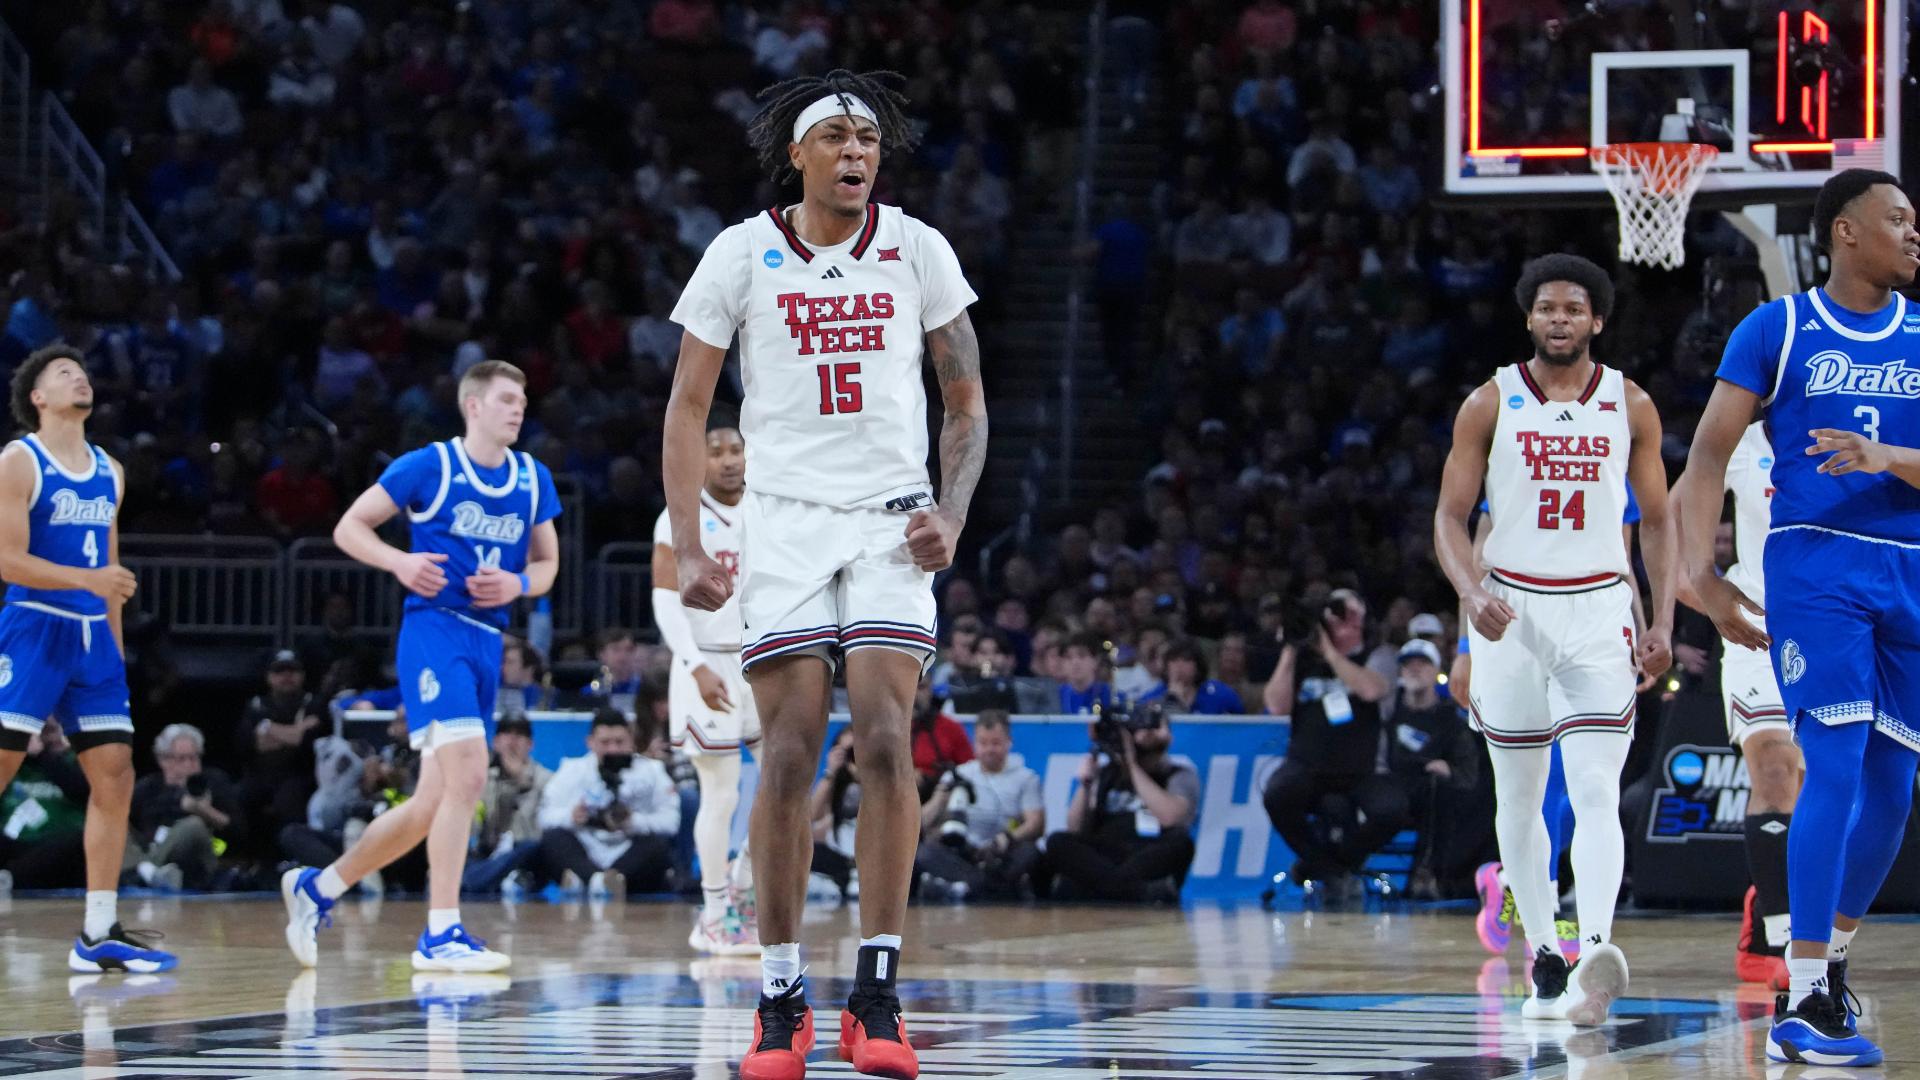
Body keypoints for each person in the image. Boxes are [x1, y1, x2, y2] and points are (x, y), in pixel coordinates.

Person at [664, 70, 987, 1079]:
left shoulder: (919, 248)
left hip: (890, 525)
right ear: (798, 154)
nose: (858, 153)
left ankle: (877, 992)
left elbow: (966, 403)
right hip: (786, 525)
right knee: (793, 750)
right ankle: (780, 994)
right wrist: (690, 544)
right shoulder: (742, 252)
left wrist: (952, 511)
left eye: (870, 141)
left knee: (888, 740)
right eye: (839, 137)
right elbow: (686, 406)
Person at [1678, 169, 1919, 1066]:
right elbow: (1704, 457)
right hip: (1817, 564)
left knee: (1895, 791)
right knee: (1839, 766)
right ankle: (1807, 993)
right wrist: (1699, 578)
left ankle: (1828, 967)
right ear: (1846, 233)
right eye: (1897, 218)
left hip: (1913, 570)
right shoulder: (1777, 329)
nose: (1913, 232)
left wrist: (1886, 455)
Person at [1434, 254, 1675, 1026]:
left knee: (1598, 787)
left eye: (1575, 307)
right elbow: (1449, 519)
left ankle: (1595, 953)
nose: (1561, 318)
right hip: (1509, 611)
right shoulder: (1489, 401)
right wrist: (1471, 602)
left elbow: (1659, 523)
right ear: (1529, 318)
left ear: (1598, 320)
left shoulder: (1630, 403)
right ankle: (1542, 947)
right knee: (1520, 795)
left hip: (1598, 608)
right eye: (1548, 307)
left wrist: (1662, 619)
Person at [282, 359, 560, 974]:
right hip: (434, 632)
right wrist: (399, 564)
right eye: (507, 398)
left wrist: (516, 582)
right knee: (466, 776)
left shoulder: (532, 477)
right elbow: (349, 527)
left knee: (432, 802)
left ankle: (318, 889)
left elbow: (547, 566)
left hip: (489, 639)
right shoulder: (429, 466)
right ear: (474, 405)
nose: (518, 408)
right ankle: (441, 931)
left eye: (523, 399)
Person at [0, 343, 171, 972]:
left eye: (83, 372)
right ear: (38, 398)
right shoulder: (19, 460)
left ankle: (99, 930)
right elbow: (7, 561)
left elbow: (112, 572)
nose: (80, 377)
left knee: (116, 772)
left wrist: (116, 650)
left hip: (94, 640)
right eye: (63, 373)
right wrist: (90, 582)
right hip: (35, 627)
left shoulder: (110, 469)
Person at [1674, 420, 1798, 990]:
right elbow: (1664, 519)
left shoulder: (1854, 419)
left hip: (1843, 626)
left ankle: (1775, 902)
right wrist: (1709, 595)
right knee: (1771, 769)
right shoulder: (1744, 441)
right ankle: (1779, 939)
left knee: (1822, 788)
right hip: (1762, 632)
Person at [651, 419, 761, 955]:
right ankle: (715, 912)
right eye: (715, 451)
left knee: (787, 790)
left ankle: (743, 888)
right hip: (707, 663)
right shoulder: (681, 517)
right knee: (721, 794)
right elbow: (664, 598)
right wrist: (693, 664)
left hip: (763, 662)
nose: (727, 459)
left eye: (735, 449)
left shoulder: (770, 509)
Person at [1260, 591, 1400, 893]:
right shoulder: (1303, 659)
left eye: (1348, 612)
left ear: (1362, 621)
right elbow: (1275, 706)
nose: (1339, 620)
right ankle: (1327, 867)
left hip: (1361, 769)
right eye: (1333, 613)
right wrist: (1290, 650)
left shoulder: (1378, 654)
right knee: (1276, 796)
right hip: (1306, 765)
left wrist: (1330, 653)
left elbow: (1370, 690)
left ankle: (1326, 865)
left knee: (1392, 810)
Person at [1045, 700, 1197, 902]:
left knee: (1182, 842)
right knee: (1057, 841)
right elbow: (1075, 828)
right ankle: (1137, 891)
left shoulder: (1178, 772)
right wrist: (1085, 785)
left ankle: (1103, 888)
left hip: (1146, 853)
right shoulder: (1108, 773)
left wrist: (1132, 765)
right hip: (1108, 851)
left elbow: (1170, 817)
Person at [536, 709, 680, 896]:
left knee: (658, 846)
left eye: (619, 742)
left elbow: (671, 821)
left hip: (630, 852)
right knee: (553, 838)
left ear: (631, 742)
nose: (612, 749)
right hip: (586, 848)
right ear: (590, 742)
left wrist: (633, 821)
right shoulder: (571, 770)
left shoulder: (652, 771)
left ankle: (596, 881)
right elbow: (544, 817)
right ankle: (597, 880)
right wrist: (571, 816)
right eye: (605, 743)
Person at [914, 710, 1044, 899]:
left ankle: (969, 888)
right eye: (983, 743)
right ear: (975, 744)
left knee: (1030, 852)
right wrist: (940, 799)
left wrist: (1007, 838)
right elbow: (921, 823)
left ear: (1009, 743)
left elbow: (1035, 824)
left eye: (996, 743)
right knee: (924, 853)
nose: (989, 749)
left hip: (1001, 850)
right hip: (963, 850)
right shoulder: (959, 774)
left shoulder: (1025, 778)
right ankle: (981, 885)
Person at [125, 723, 243, 891]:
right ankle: (150, 871)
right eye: (180, 759)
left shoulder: (214, 781)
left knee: (194, 824)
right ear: (163, 760)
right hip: (150, 847)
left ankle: (146, 871)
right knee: (115, 825)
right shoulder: (148, 787)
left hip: (198, 855)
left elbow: (239, 829)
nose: (188, 765)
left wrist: (203, 810)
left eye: (193, 758)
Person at [1056, 632, 1113, 714]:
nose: (1075, 662)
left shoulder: (1109, 695)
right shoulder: (1055, 696)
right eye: (1068, 657)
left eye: (1082, 656)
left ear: (1096, 660)